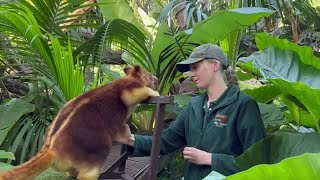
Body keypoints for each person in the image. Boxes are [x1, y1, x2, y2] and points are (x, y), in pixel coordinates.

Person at [115, 44, 266, 179]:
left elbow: (258, 162)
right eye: (189, 69)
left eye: (195, 67)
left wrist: (210, 159)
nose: (190, 74)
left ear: (215, 65)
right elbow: (166, 142)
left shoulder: (243, 105)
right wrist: (130, 139)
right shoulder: (194, 105)